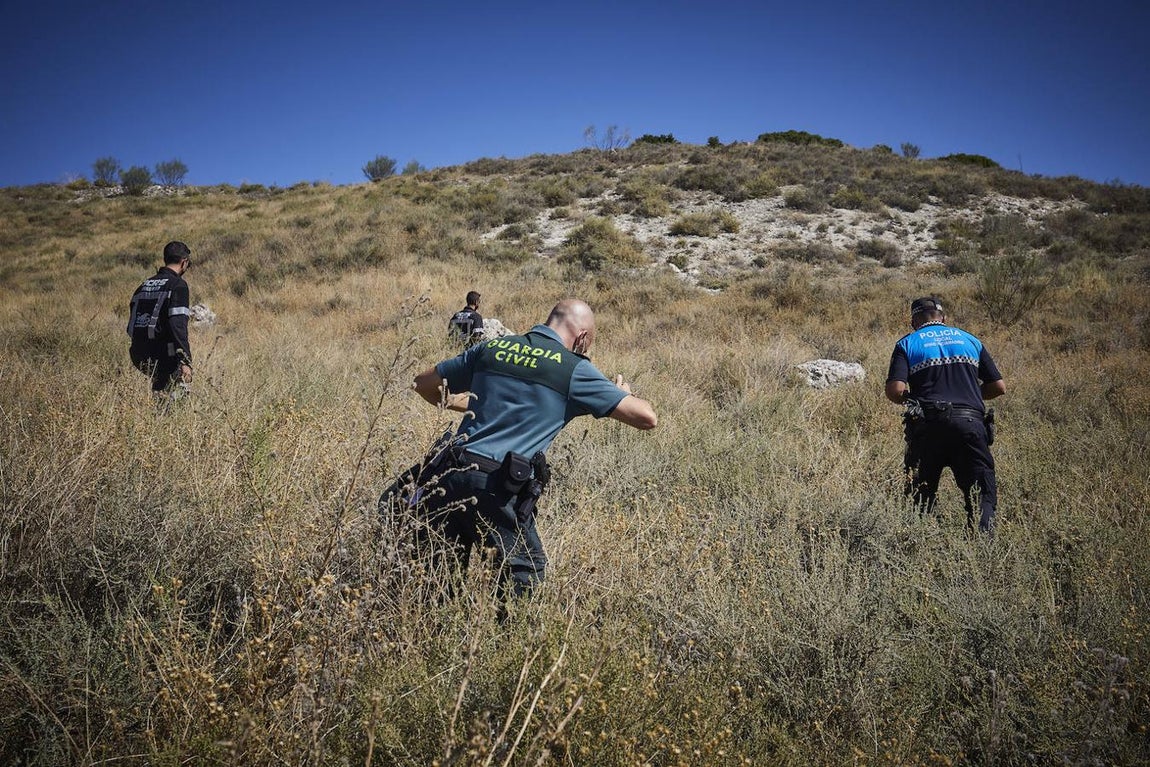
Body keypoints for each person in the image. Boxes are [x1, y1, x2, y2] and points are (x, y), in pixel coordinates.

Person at [385, 298, 658, 601]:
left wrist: (470, 405)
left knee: (438, 580)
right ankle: (505, 644)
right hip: (495, 486)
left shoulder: (492, 348)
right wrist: (622, 394)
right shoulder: (574, 369)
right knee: (524, 573)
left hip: (449, 475)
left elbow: (423, 384)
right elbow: (647, 417)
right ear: (582, 337)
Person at [885, 296, 1006, 533]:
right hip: (971, 425)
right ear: (944, 318)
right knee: (982, 496)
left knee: (919, 498)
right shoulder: (970, 340)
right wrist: (970, 395)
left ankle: (918, 549)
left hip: (928, 426)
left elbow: (895, 390)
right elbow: (999, 387)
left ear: (913, 321)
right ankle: (984, 550)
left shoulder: (907, 343)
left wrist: (914, 400)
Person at [127, 241, 194, 396]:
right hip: (164, 354)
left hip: (138, 352)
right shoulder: (177, 285)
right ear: (184, 262)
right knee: (176, 400)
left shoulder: (144, 285)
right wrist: (185, 360)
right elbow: (178, 325)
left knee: (160, 392)